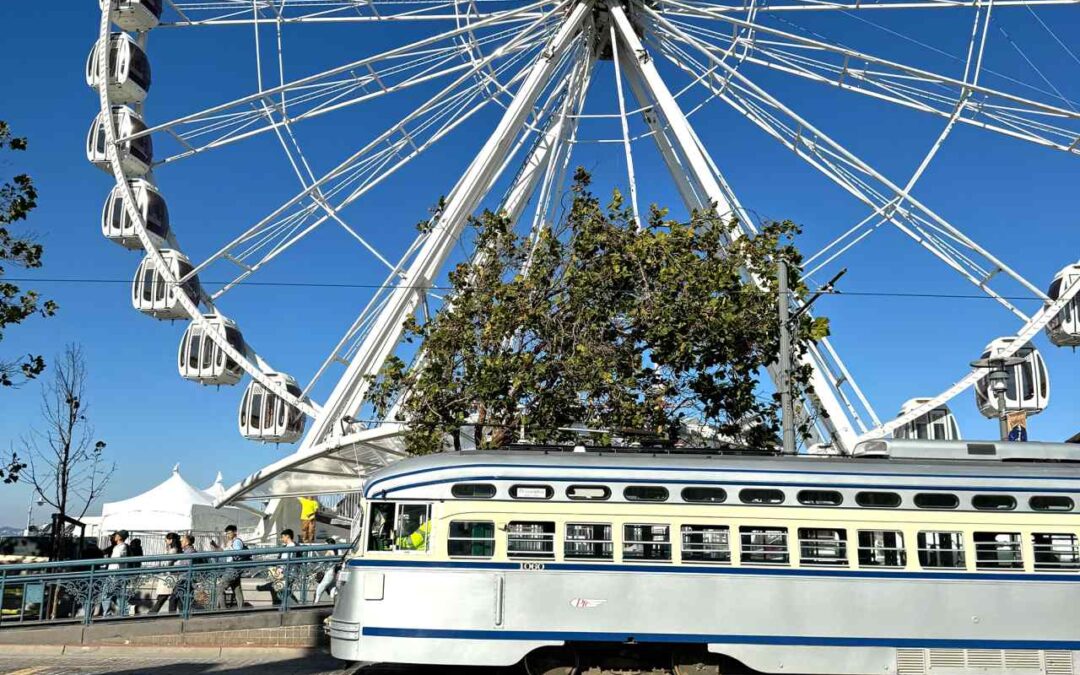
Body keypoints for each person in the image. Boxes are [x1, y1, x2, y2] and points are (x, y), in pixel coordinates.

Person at [211, 524, 247, 609]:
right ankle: (241, 609)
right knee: (237, 590)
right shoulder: (231, 542)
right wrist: (216, 546)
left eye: (229, 533)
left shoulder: (237, 542)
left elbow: (237, 553)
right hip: (234, 569)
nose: (228, 535)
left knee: (219, 589)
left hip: (232, 569)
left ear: (235, 532)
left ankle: (224, 609)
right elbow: (225, 552)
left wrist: (230, 548)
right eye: (227, 533)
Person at [99, 530, 129, 617]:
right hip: (116, 574)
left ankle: (107, 614)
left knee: (106, 594)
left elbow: (117, 558)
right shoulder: (118, 547)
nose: (114, 536)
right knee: (118, 595)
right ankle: (126, 611)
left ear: (120, 537)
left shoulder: (122, 547)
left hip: (114, 574)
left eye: (116, 535)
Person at [150, 532, 180, 614]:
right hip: (167, 576)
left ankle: (152, 613)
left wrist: (158, 566)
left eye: (166, 539)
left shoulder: (173, 551)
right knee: (165, 597)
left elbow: (167, 563)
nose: (165, 541)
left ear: (171, 540)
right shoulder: (172, 550)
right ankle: (171, 614)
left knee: (163, 597)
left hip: (167, 577)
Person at [314, 538, 340, 603]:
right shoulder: (336, 551)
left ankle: (316, 602)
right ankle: (334, 603)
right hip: (334, 573)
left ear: (329, 544)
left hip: (329, 572)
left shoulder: (330, 551)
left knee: (321, 587)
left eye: (326, 544)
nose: (325, 546)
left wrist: (315, 569)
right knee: (332, 588)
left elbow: (322, 562)